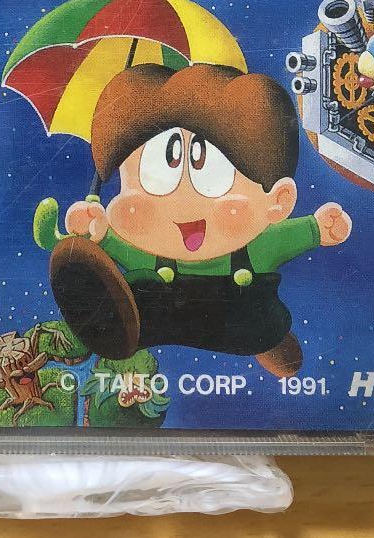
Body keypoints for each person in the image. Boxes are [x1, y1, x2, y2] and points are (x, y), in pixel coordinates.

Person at [44, 63, 351, 375]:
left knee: (261, 325)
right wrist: (100, 235)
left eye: (212, 175)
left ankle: (272, 343)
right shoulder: (153, 251)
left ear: (278, 201)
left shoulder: (261, 245)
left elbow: (289, 236)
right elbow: (128, 254)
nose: (180, 203)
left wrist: (317, 228)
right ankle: (104, 326)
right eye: (156, 175)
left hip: (244, 326)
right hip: (160, 323)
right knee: (140, 290)